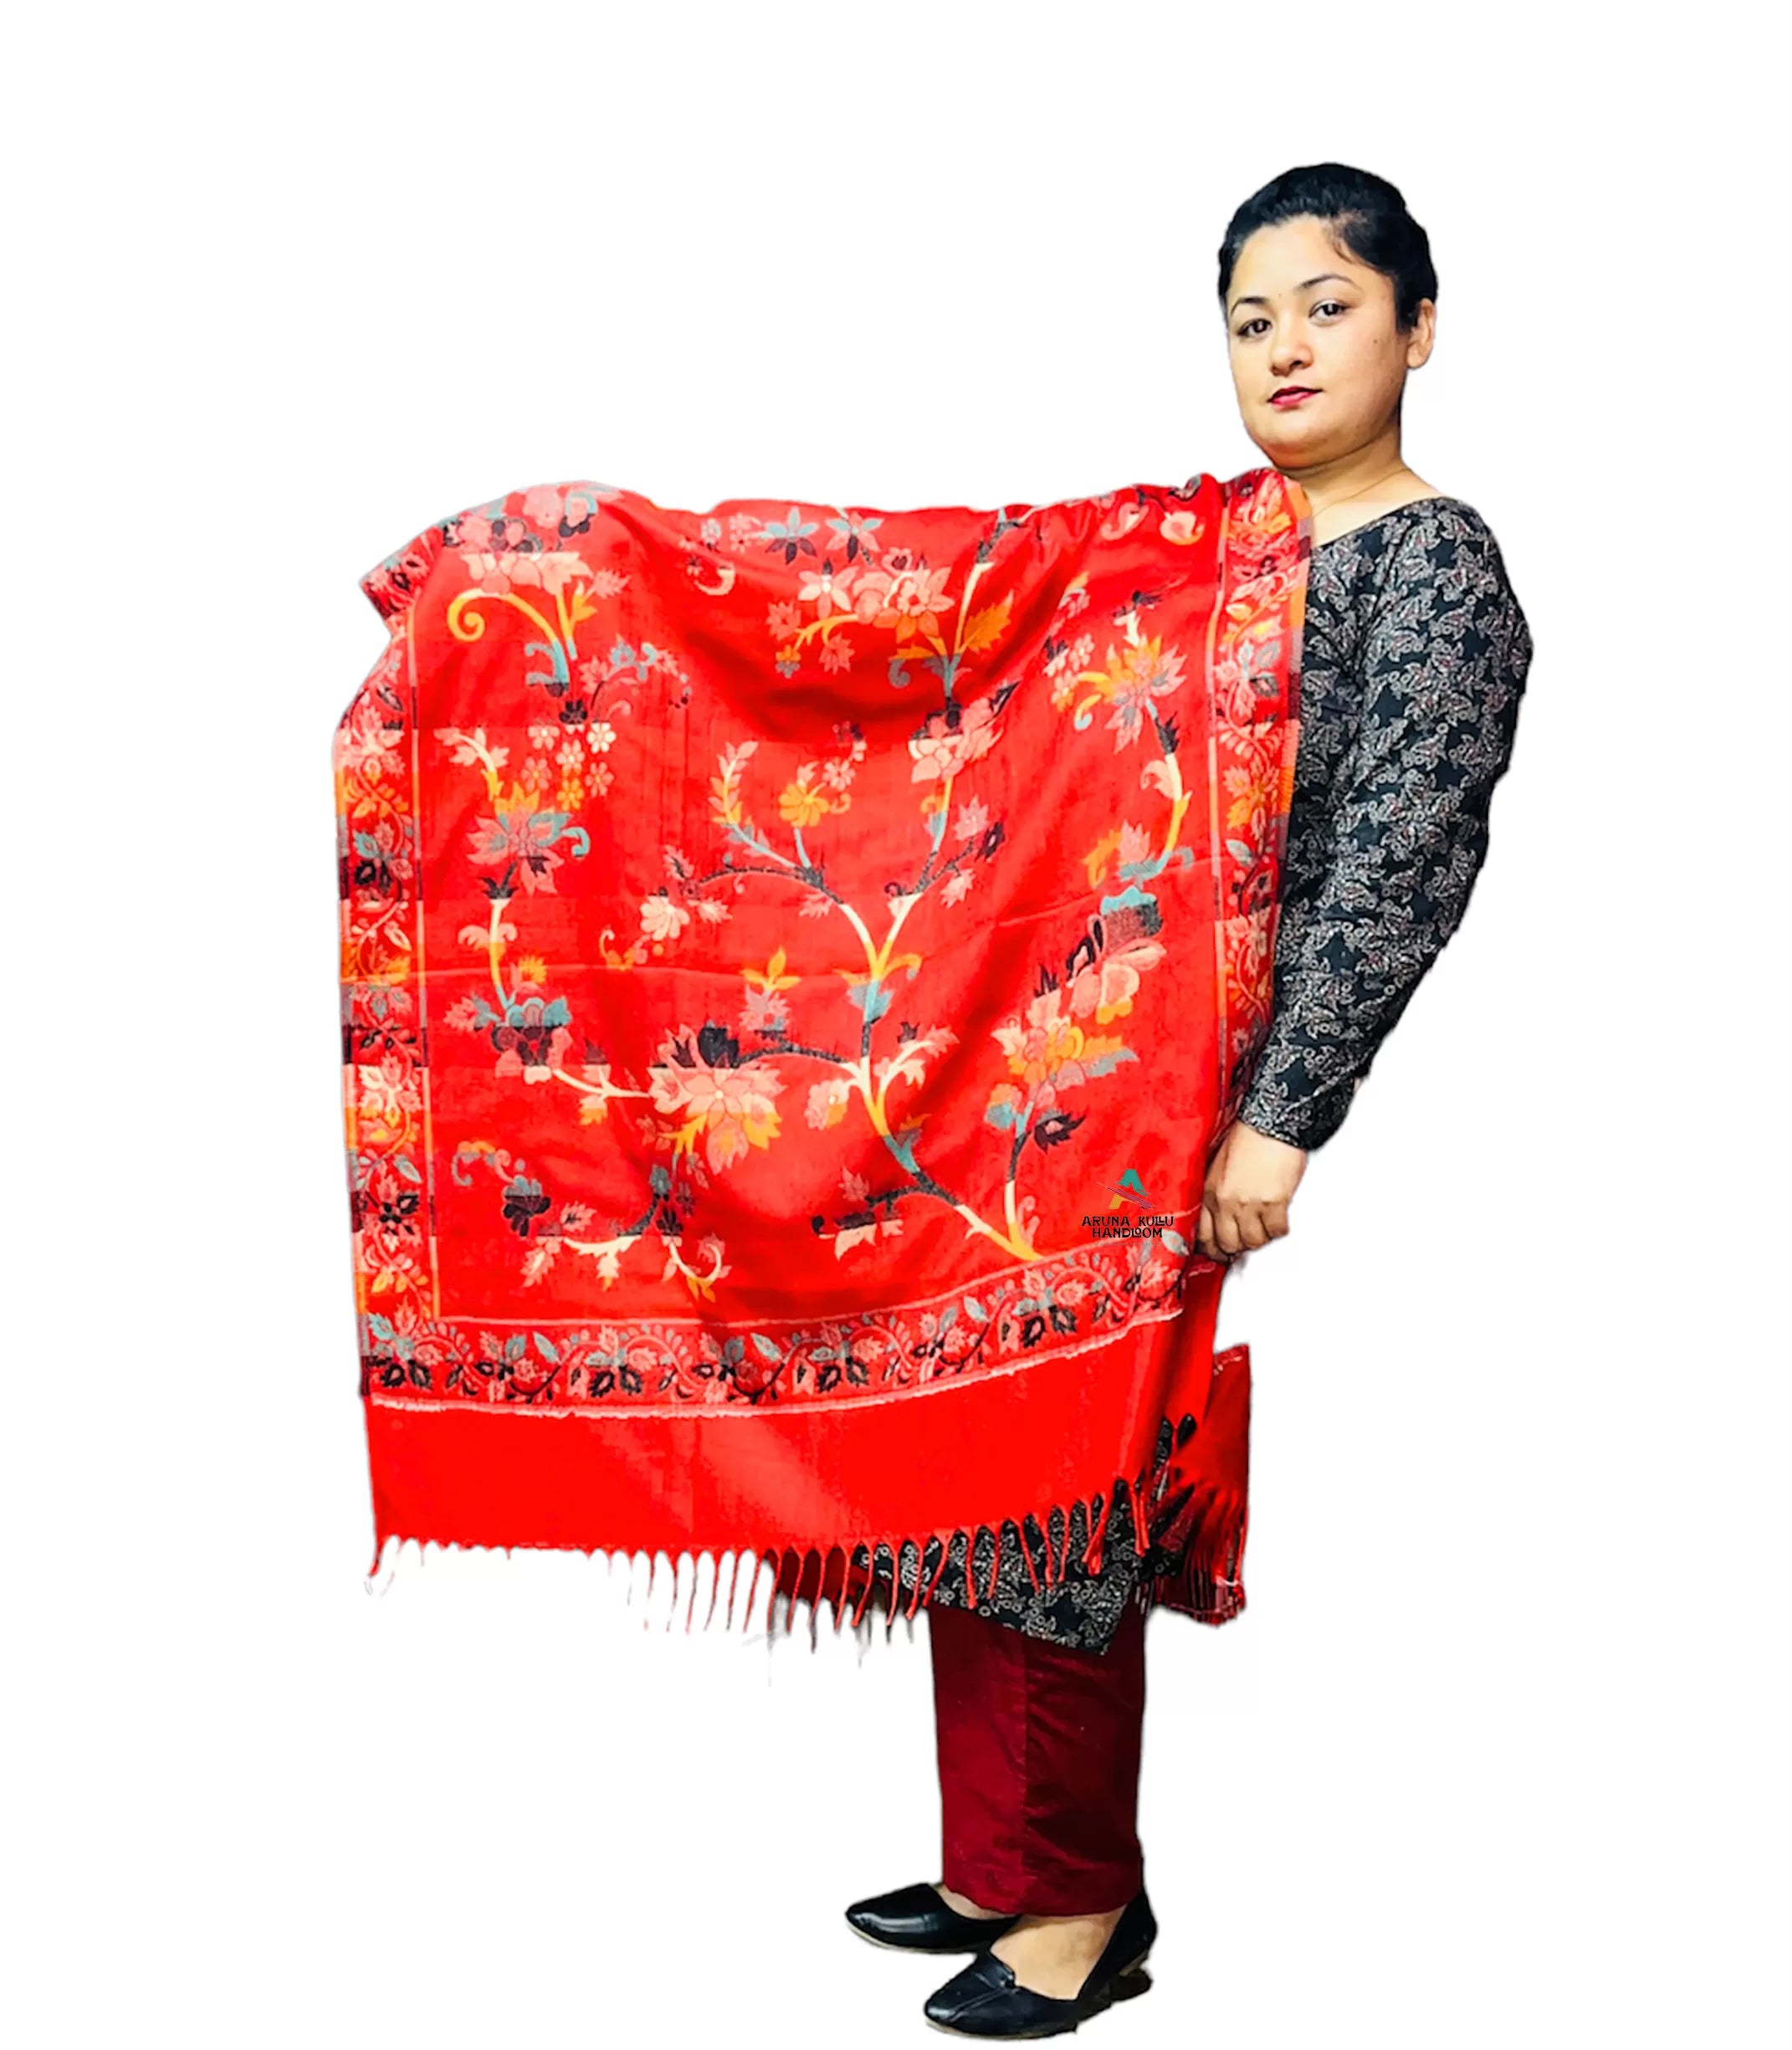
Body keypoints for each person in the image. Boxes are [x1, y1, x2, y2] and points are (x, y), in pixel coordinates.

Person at [842, 161, 1536, 2038]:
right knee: (973, 1464)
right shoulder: (1197, 553)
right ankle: (999, 1855)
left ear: (1418, 328)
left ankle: (1076, 1907)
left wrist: (1281, 1116)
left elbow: (1398, 862)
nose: (1286, 346)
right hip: (1046, 1081)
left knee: (1066, 1482)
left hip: (1189, 1097)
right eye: (1250, 318)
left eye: (1329, 304)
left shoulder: (1433, 571)